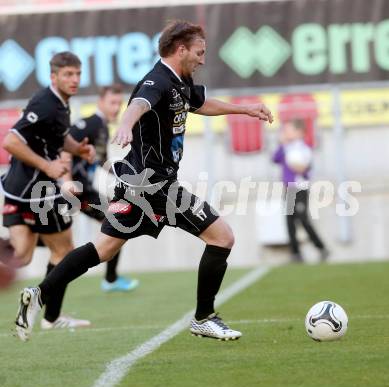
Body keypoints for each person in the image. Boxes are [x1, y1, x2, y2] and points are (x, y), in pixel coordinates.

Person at [14, 20, 273, 342]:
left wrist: (246, 109)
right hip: (156, 186)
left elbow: (200, 103)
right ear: (181, 50)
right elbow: (139, 103)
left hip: (137, 186)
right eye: (199, 52)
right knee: (222, 238)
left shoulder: (181, 80)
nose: (203, 59)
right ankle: (204, 317)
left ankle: (38, 294)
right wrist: (125, 125)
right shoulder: (157, 79)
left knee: (104, 249)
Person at [0, 51, 95, 334]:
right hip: (38, 192)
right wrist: (48, 166)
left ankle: (50, 315)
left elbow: (55, 137)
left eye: (77, 74)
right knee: (65, 252)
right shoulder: (46, 103)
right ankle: (51, 317)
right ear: (54, 77)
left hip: (18, 190)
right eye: (68, 74)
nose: (74, 79)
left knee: (22, 255)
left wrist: (76, 148)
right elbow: (11, 141)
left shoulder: (59, 104)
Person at [65, 84, 139, 292]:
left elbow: (100, 160)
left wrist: (125, 177)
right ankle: (110, 278)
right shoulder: (89, 124)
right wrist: (67, 181)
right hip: (71, 191)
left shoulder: (103, 127)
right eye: (112, 103)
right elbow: (63, 147)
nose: (116, 108)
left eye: (119, 103)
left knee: (118, 217)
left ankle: (111, 278)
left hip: (83, 191)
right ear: (101, 103)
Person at [272, 119, 329, 262]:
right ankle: (295, 253)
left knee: (303, 219)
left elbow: (306, 170)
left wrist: (298, 167)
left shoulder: (304, 149)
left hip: (300, 188)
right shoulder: (287, 148)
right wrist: (282, 144)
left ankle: (321, 247)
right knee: (289, 220)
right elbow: (275, 158)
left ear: (299, 132)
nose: (285, 133)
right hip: (290, 189)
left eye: (289, 130)